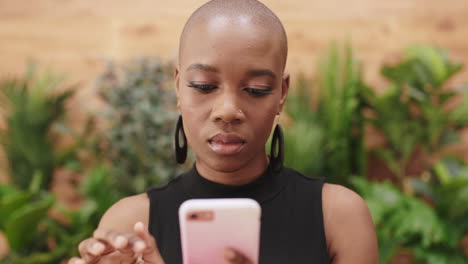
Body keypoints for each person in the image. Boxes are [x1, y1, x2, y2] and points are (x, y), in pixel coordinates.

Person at [69, 0, 378, 263]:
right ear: (178, 86)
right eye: (204, 86)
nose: (228, 110)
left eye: (256, 89)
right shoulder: (132, 225)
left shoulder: (338, 217)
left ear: (281, 93)